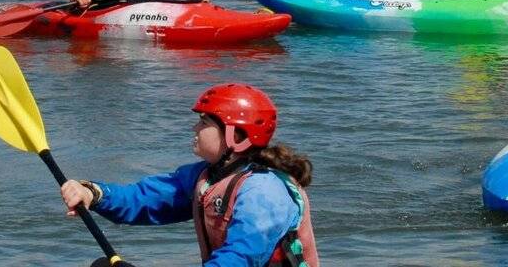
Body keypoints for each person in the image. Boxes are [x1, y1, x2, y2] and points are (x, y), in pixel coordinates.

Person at [59, 84, 318, 267]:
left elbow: (241, 257)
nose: (195, 128)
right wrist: (93, 193)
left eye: (204, 123)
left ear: (235, 136)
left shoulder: (264, 191)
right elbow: (145, 199)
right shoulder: (205, 178)